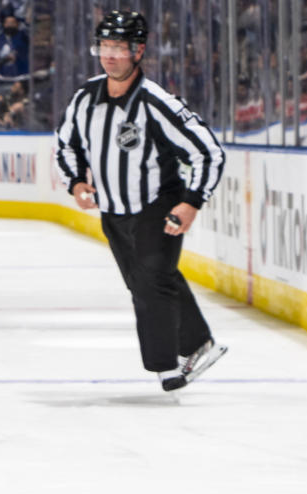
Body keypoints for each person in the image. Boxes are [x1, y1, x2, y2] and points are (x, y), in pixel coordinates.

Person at [54, 10, 227, 391]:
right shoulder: (85, 98)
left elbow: (208, 152)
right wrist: (75, 183)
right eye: (104, 46)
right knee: (147, 280)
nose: (110, 55)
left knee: (152, 283)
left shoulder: (154, 101)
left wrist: (192, 201)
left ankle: (167, 368)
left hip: (157, 205)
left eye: (119, 47)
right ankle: (199, 343)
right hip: (113, 213)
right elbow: (66, 143)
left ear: (139, 51)